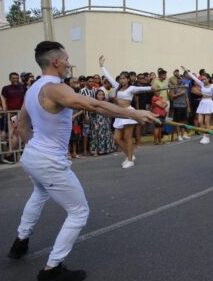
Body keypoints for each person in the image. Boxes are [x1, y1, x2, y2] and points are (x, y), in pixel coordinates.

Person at [8, 41, 158, 281]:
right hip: (47, 160)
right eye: (66, 59)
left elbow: (23, 125)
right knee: (78, 211)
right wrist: (133, 113)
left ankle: (20, 243)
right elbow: (94, 104)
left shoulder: (33, 88)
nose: (69, 64)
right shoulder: (54, 88)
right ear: (55, 61)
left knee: (39, 194)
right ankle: (52, 270)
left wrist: (35, 154)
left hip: (33, 155)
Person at [100, 56, 154, 168]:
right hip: (120, 113)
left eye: (124, 78)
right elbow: (108, 77)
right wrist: (102, 66)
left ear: (128, 79)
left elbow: (145, 89)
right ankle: (130, 154)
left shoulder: (132, 88)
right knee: (116, 138)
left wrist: (152, 88)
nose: (122, 80)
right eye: (120, 78)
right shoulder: (117, 86)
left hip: (129, 114)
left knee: (127, 137)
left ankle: (130, 159)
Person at [182, 66, 213, 144]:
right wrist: (186, 70)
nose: (203, 80)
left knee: (207, 121)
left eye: (204, 79)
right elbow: (194, 78)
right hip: (202, 103)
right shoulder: (202, 84)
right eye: (202, 79)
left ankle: (206, 137)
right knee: (200, 121)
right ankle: (205, 135)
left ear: (209, 79)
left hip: (209, 103)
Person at [89, 90, 115, 156]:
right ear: (96, 95)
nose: (101, 96)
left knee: (106, 134)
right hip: (96, 121)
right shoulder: (94, 103)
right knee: (95, 136)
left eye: (102, 94)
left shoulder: (105, 103)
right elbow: (90, 112)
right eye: (99, 94)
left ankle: (106, 149)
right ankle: (95, 151)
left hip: (105, 120)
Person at [169, 76, 190, 141]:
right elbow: (172, 97)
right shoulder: (174, 87)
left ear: (182, 80)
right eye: (177, 79)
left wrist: (188, 106)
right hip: (177, 106)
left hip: (184, 106)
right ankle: (178, 136)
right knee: (177, 122)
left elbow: (186, 97)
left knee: (183, 121)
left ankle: (183, 134)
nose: (179, 80)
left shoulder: (184, 87)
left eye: (180, 79)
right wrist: (180, 93)